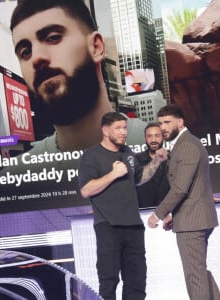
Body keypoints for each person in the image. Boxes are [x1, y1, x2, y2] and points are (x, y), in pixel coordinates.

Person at [10, 0, 146, 155]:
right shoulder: (15, 177)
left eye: (53, 37)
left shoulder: (167, 150)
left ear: (96, 47)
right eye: (25, 52)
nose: (36, 58)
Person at [78, 112, 168, 300]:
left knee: (137, 282)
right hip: (108, 227)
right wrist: (113, 174)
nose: (123, 132)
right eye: (118, 128)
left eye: (125, 128)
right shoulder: (91, 156)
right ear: (105, 130)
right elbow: (86, 190)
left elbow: (139, 178)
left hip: (134, 227)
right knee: (109, 282)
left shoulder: (127, 153)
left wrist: (157, 160)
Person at [148, 104, 220, 300]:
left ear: (180, 122)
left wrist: (159, 213)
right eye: (160, 122)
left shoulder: (187, 145)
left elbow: (181, 188)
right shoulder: (185, 144)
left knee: (195, 277)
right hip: (193, 218)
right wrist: (174, 214)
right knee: (199, 272)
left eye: (167, 122)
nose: (162, 127)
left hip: (192, 222)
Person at [136, 122, 169, 208]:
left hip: (169, 212)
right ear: (145, 139)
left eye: (157, 135)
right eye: (149, 136)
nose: (153, 140)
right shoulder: (136, 159)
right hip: (144, 212)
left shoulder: (173, 158)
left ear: (163, 137)